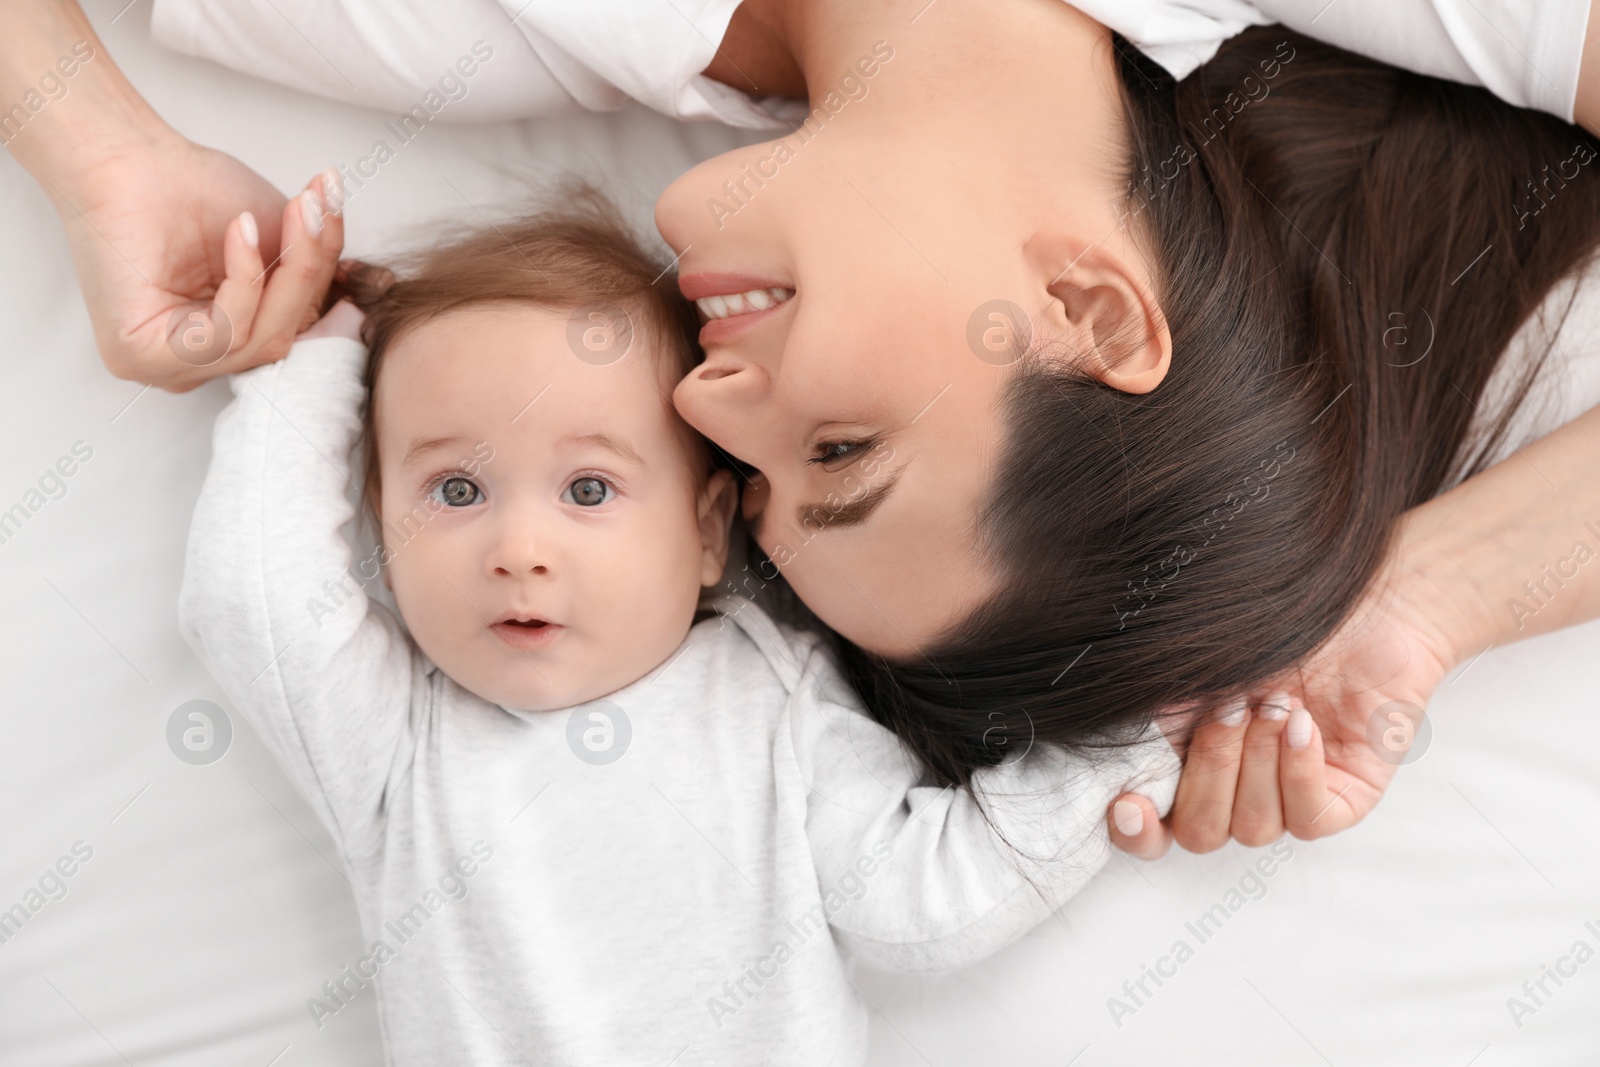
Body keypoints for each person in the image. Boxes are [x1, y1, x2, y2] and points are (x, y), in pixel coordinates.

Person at [6, 0, 1600, 861]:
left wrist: (92, 141)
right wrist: (1404, 591)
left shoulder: (436, 34)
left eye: (750, 485)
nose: (706, 400)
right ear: (1093, 313)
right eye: (840, 454)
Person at [176, 198, 1181, 1064]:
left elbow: (918, 897)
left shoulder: (771, 694)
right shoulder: (394, 740)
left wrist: (1142, 732)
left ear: (705, 531)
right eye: (454, 487)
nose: (517, 547)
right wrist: (314, 362)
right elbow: (251, 598)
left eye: (588, 487)